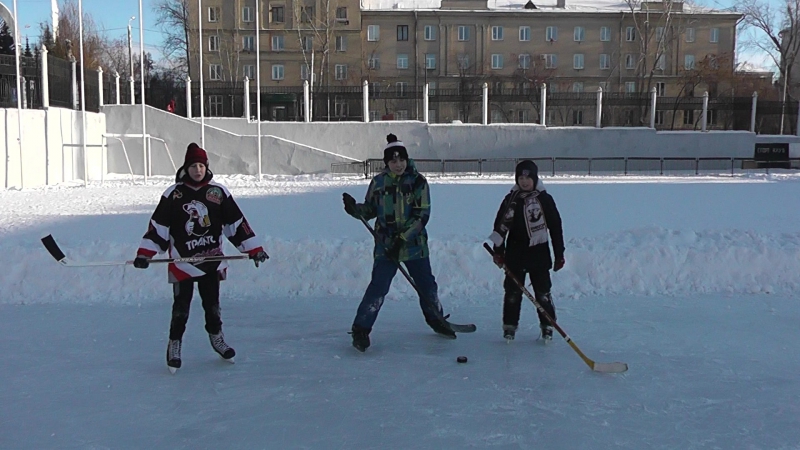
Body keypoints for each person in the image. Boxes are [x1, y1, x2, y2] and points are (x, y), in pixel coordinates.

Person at [134, 142, 269, 373]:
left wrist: (253, 249)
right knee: (181, 308)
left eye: (201, 165)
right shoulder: (173, 194)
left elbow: (236, 224)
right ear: (186, 168)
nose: (198, 170)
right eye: (193, 166)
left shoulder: (218, 193)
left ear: (207, 167)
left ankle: (217, 338)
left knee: (212, 305)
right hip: (182, 264)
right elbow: (159, 227)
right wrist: (145, 253)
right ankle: (174, 344)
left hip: (210, 262)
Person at [342, 133, 456, 352]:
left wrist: (402, 239)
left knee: (427, 285)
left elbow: (422, 215)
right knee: (378, 287)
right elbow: (371, 209)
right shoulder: (378, 182)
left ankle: (436, 319)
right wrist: (355, 210)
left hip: (414, 245)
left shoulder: (418, 182)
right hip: (385, 245)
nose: (398, 164)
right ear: (387, 162)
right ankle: (361, 329)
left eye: (401, 160)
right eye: (393, 161)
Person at [488, 160, 565, 342]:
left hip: (539, 254)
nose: (524, 182)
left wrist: (559, 254)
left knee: (542, 294)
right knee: (512, 294)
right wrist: (499, 251)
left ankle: (547, 326)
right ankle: (509, 327)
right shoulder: (511, 200)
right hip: (515, 254)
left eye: (528, 178)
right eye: (521, 178)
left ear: (535, 178)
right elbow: (500, 226)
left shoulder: (545, 200)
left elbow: (555, 228)